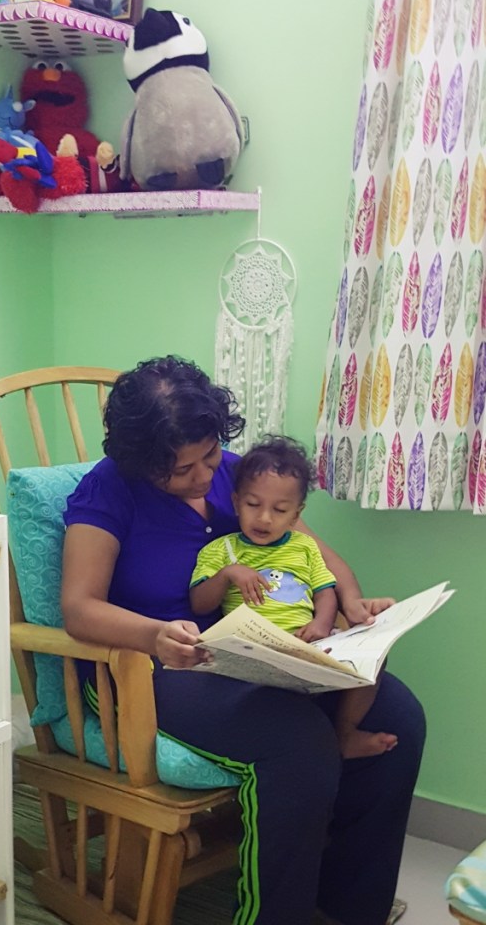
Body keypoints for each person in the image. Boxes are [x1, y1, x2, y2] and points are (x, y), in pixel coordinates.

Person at [61, 355, 425, 925]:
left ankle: (347, 908)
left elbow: (314, 553)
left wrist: (350, 605)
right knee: (296, 740)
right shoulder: (107, 492)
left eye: (210, 455)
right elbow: (79, 608)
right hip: (145, 665)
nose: (205, 476)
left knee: (399, 714)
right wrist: (154, 634)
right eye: (182, 469)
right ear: (143, 463)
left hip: (244, 652)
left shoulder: (240, 474)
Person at [189, 434, 398, 760]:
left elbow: (325, 591)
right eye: (253, 505)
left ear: (296, 514)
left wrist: (321, 623)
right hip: (255, 652)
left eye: (280, 509)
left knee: (374, 659)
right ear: (236, 502)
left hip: (307, 643)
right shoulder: (221, 550)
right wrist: (228, 574)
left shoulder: (304, 548)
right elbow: (200, 603)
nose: (264, 518)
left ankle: (344, 733)